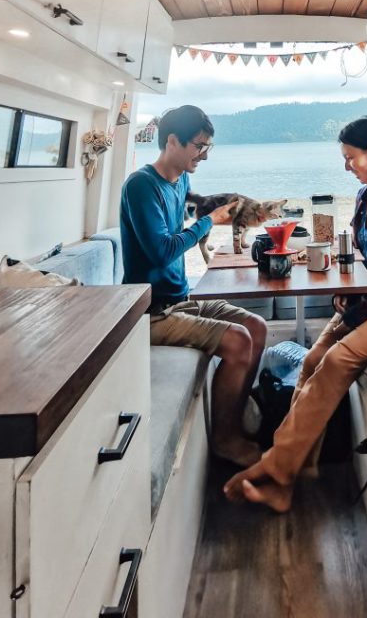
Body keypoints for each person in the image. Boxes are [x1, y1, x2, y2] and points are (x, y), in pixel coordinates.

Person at [225, 115, 367, 511]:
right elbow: (361, 258)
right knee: (311, 362)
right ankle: (291, 476)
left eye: (350, 157)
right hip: (366, 302)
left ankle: (275, 469)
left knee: (338, 360)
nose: (346, 165)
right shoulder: (364, 196)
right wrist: (344, 291)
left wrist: (358, 302)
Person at [121, 104, 267, 467]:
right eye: (199, 146)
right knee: (238, 340)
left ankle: (234, 413)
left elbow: (183, 224)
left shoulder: (181, 181)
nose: (203, 155)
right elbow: (161, 251)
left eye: (208, 147)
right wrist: (208, 223)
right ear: (172, 141)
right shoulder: (141, 186)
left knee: (257, 328)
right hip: (151, 312)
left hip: (180, 299)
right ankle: (224, 439)